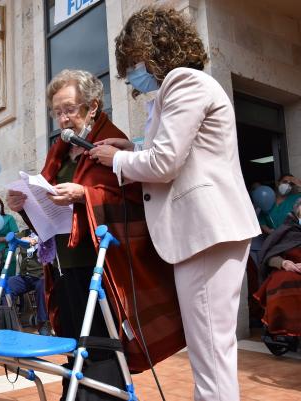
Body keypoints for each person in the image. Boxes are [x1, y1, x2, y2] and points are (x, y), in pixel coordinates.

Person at [87, 7, 260, 401]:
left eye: (132, 61)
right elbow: (180, 153)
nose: (131, 72)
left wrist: (118, 160)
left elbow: (165, 162)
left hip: (204, 233)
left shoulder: (183, 82)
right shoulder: (191, 84)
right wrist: (132, 148)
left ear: (153, 49)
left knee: (211, 358)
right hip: (208, 232)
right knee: (213, 354)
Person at [7, 67, 183, 400]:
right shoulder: (58, 153)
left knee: (100, 342)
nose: (63, 119)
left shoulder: (110, 143)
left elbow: (135, 200)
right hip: (65, 263)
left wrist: (84, 195)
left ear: (92, 107)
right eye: (57, 112)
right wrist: (24, 205)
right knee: (74, 340)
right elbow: (48, 213)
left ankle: (100, 395)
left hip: (103, 265)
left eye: (70, 109)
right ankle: (73, 393)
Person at [254, 198, 301, 337]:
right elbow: (269, 255)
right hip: (287, 269)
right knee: (283, 281)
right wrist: (283, 263)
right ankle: (287, 326)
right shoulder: (285, 231)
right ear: (296, 215)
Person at [5, 230, 51, 335]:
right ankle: (11, 322)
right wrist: (21, 239)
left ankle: (42, 323)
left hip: (41, 275)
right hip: (24, 276)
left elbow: (50, 243)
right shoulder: (24, 233)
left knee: (42, 287)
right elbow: (12, 240)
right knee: (6, 285)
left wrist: (36, 240)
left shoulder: (45, 232)